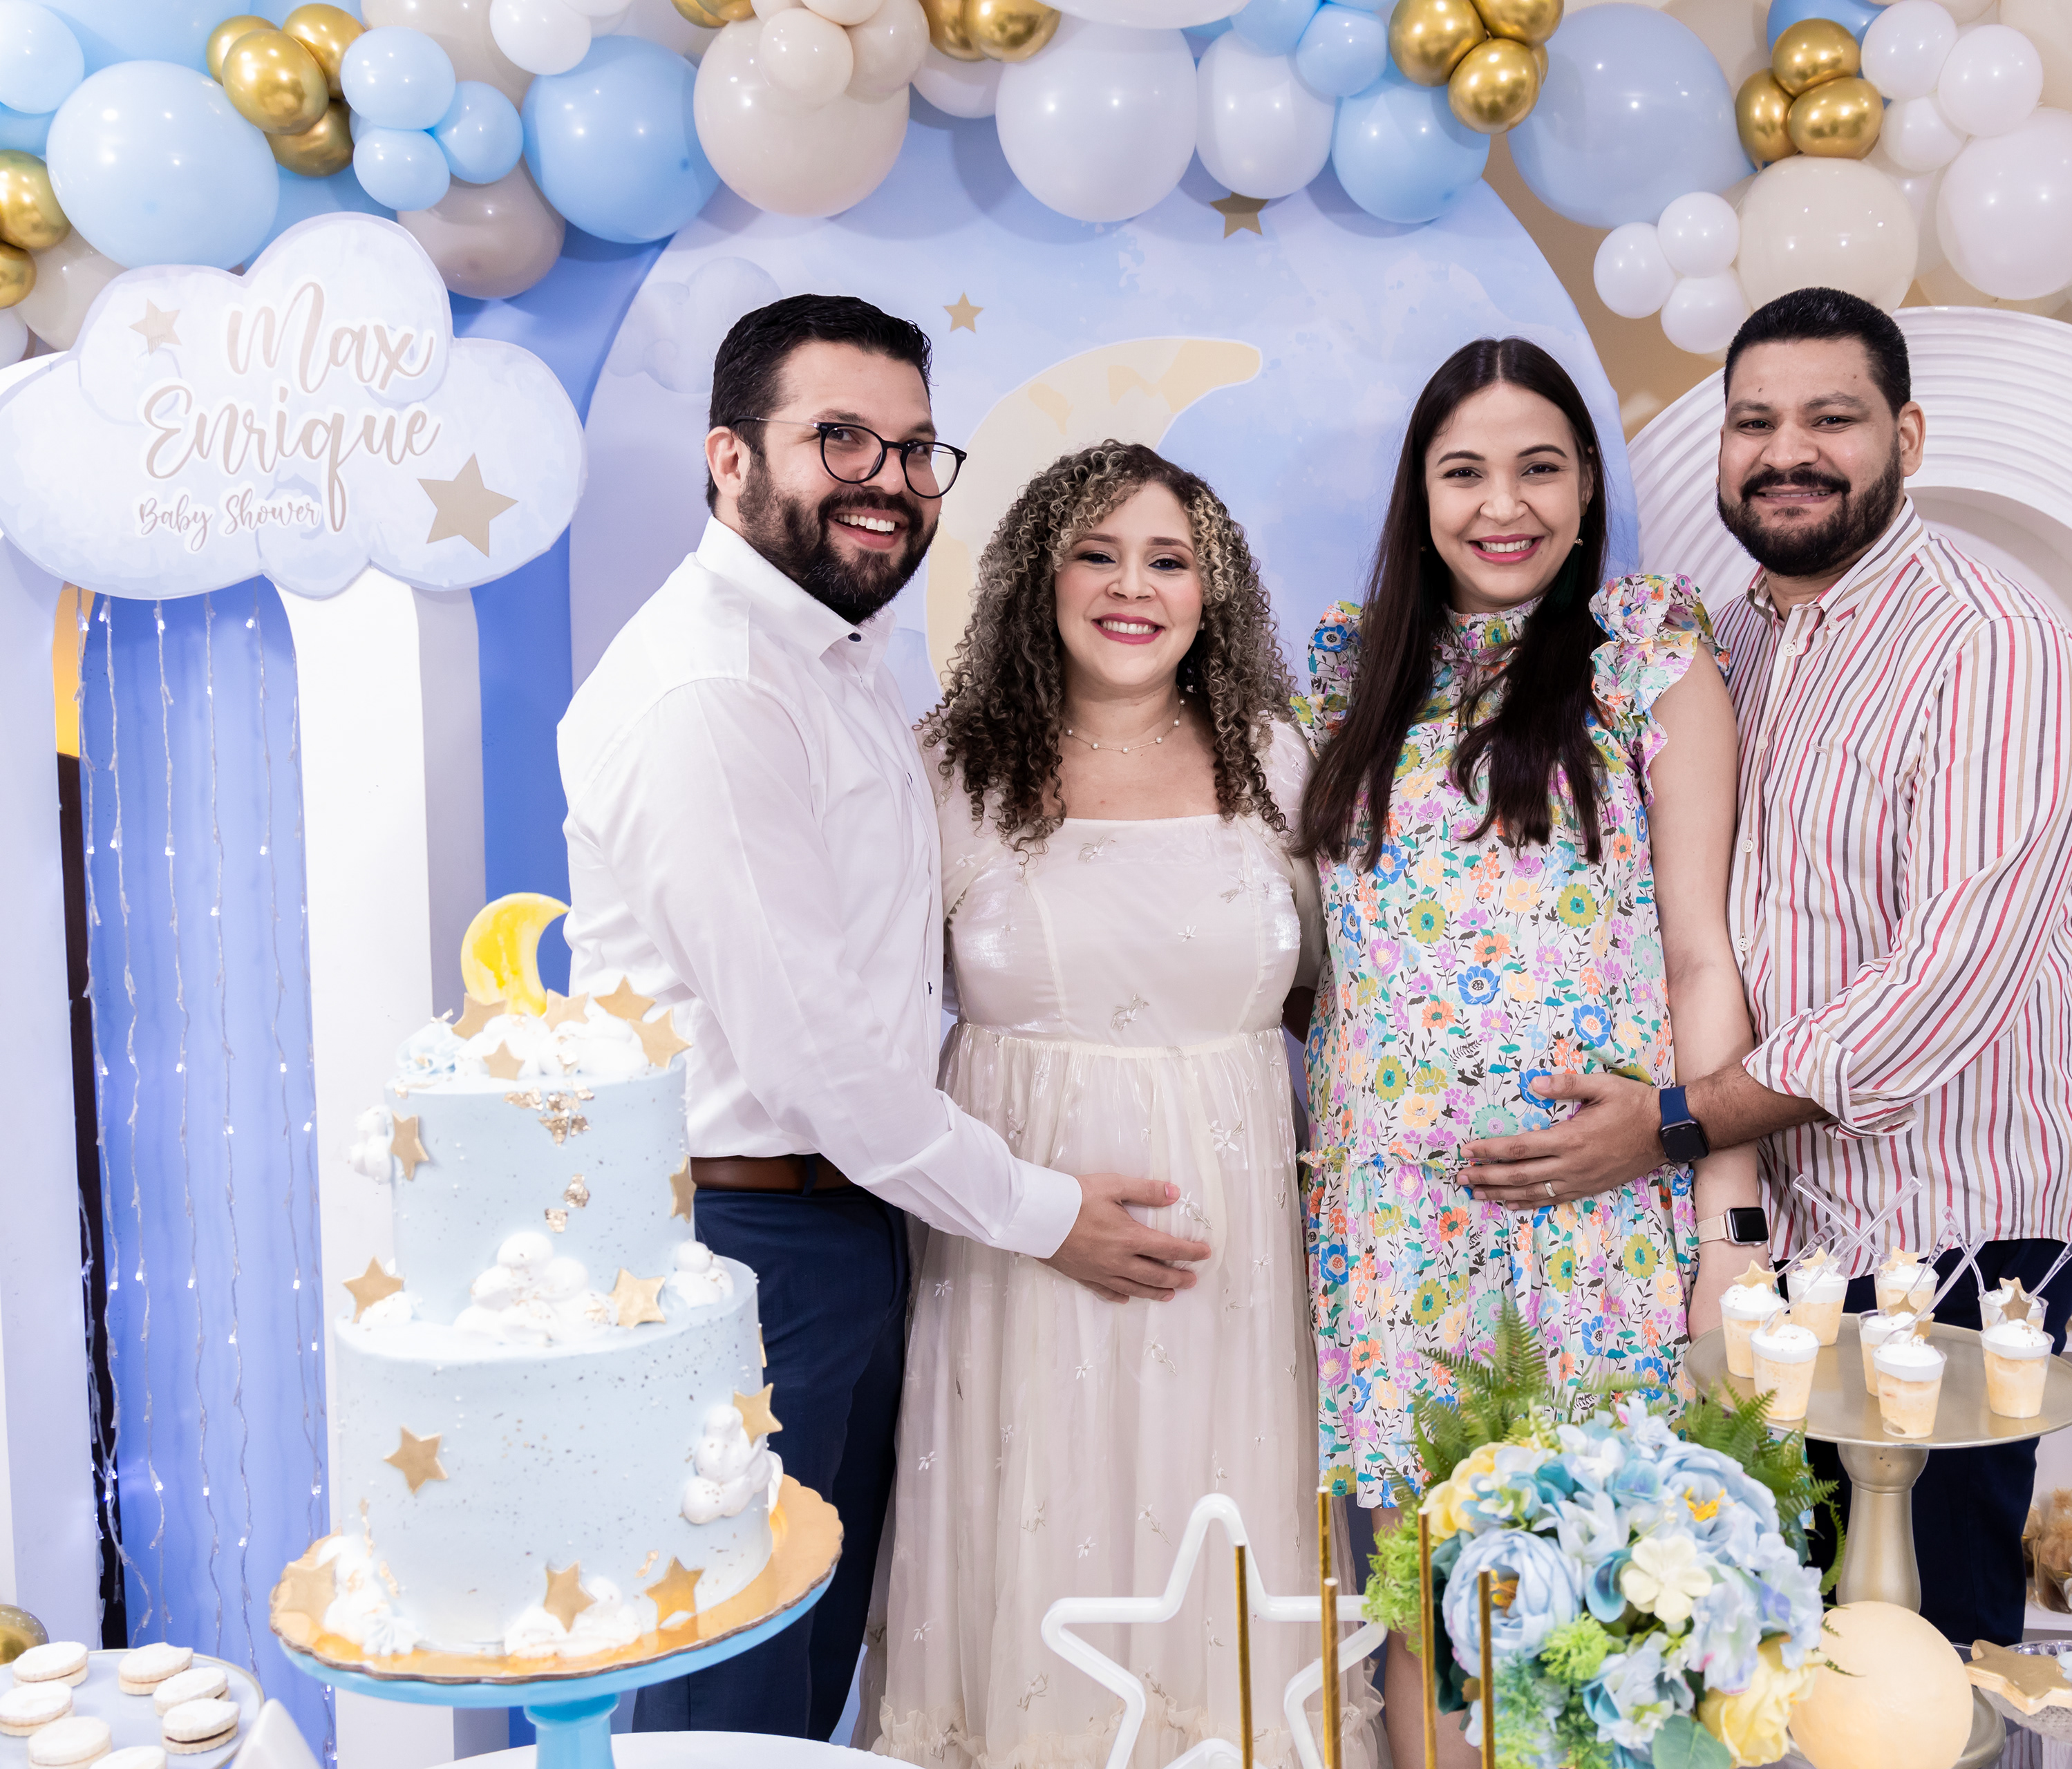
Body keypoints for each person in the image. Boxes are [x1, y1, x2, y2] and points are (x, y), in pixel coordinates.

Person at [558, 296, 1212, 1739]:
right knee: (724, 1700)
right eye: (840, 438)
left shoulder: (837, 662)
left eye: (917, 449)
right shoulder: (714, 689)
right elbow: (814, 1061)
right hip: (743, 1248)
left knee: (797, 1688)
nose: (890, 480)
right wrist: (1048, 1211)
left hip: (847, 1229)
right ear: (731, 457)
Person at [1461, 287, 2072, 1650]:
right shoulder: (1725, 643)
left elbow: (1944, 988)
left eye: (1831, 419)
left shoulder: (1991, 640)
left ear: (1906, 437)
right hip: (1763, 1230)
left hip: (1947, 1232)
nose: (1786, 452)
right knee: (1760, 1638)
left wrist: (1670, 1122)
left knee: (1917, 1652)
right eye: (1754, 422)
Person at [874, 440, 1381, 1768]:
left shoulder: (1278, 759)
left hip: (1236, 1261)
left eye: (1168, 560)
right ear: (1036, 580)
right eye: (1096, 555)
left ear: (1214, 592)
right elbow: (866, 1030)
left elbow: (1343, 995)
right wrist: (1033, 1213)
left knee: (1221, 1550)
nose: (1132, 587)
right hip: (1014, 1249)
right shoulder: (948, 768)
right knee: (1039, 1534)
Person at [1297, 337, 1754, 1766]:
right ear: (1420, 493)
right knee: (1427, 1615)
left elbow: (1702, 954)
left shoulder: (1644, 656)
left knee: (1597, 1614)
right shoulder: (1347, 674)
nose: (1506, 505)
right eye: (1467, 472)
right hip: (1395, 1228)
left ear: (1589, 485)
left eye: (1540, 467)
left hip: (1592, 1221)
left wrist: (1729, 1228)